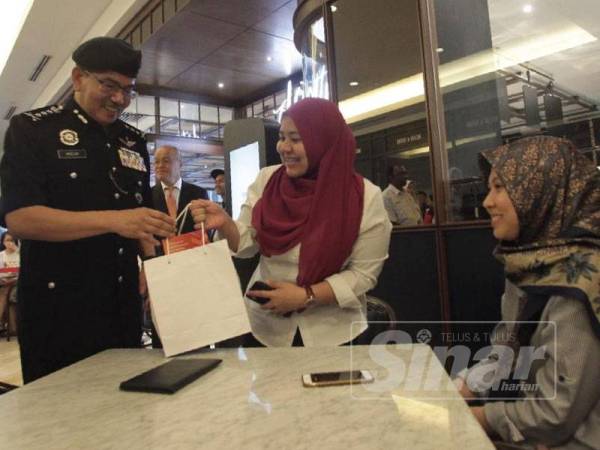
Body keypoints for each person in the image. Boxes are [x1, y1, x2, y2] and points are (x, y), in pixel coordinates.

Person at [0, 37, 175, 383]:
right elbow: (19, 218)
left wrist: (157, 271)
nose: (119, 99)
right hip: (59, 312)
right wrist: (115, 220)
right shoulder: (33, 130)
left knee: (127, 416)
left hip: (122, 308)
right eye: (109, 85)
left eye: (128, 90)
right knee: (64, 423)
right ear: (78, 77)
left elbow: (140, 222)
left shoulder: (132, 140)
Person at [190, 98, 392, 347]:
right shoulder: (267, 181)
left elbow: (363, 275)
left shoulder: (364, 196)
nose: (283, 147)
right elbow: (246, 243)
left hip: (333, 333)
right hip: (266, 330)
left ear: (324, 142)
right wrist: (224, 224)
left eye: (295, 139)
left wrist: (305, 296)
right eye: (282, 137)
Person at [456, 136, 600, 449]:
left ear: (540, 192)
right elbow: (507, 354)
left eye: (500, 187)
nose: (487, 202)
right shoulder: (528, 263)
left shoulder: (581, 282)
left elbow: (555, 413)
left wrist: (466, 418)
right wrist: (462, 387)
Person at [152, 145, 208, 233]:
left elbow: (206, 228)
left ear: (180, 164)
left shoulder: (198, 193)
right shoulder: (148, 195)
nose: (160, 165)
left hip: (192, 246)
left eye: (166, 161)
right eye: (156, 162)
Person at [0, 232, 19, 335]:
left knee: (5, 293)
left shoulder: (20, 254)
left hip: (17, 282)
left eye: (12, 240)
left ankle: (7, 326)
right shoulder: (1, 255)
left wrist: (17, 250)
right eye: (7, 240)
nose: (10, 243)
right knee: (4, 291)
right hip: (4, 281)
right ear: (3, 242)